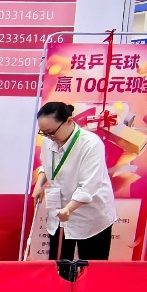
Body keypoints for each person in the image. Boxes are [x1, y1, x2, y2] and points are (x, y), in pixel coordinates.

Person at [33, 101, 116, 260]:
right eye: (44, 133)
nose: (49, 137)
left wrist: (69, 209)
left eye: (51, 132)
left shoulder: (90, 144)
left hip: (90, 214)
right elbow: (48, 164)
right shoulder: (48, 140)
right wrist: (39, 184)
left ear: (69, 121)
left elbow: (89, 186)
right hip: (59, 212)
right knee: (59, 263)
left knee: (91, 264)